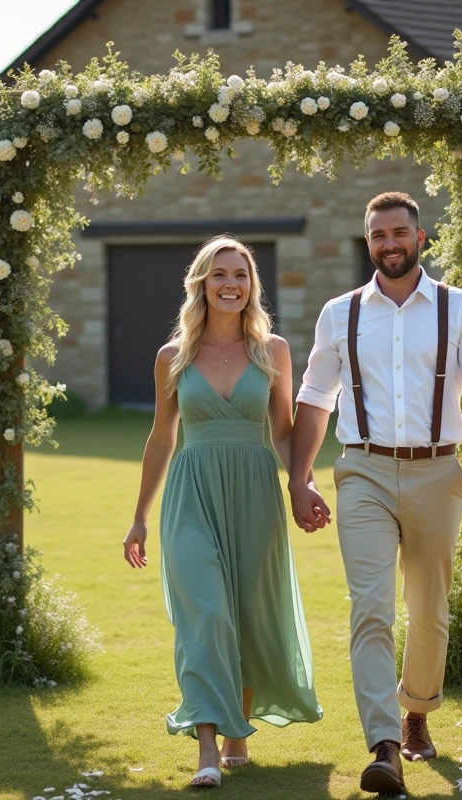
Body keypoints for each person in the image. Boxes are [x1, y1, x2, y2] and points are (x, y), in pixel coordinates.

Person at [288, 192, 462, 795]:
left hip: (439, 473)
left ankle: (417, 710)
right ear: (368, 244)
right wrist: (299, 477)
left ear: (421, 237)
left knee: (429, 610)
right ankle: (384, 744)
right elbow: (313, 398)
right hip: (363, 472)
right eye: (378, 234)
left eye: (399, 232)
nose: (390, 243)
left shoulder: (459, 309)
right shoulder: (340, 314)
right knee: (372, 608)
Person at [123, 235, 323, 788]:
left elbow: (283, 433)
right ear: (202, 284)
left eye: (241, 274)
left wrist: (302, 484)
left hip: (255, 491)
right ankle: (208, 748)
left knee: (249, 613)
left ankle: (239, 730)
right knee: (206, 614)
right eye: (219, 274)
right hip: (192, 494)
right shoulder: (173, 356)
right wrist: (140, 515)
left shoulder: (273, 351)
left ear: (251, 285)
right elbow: (162, 439)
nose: (231, 283)